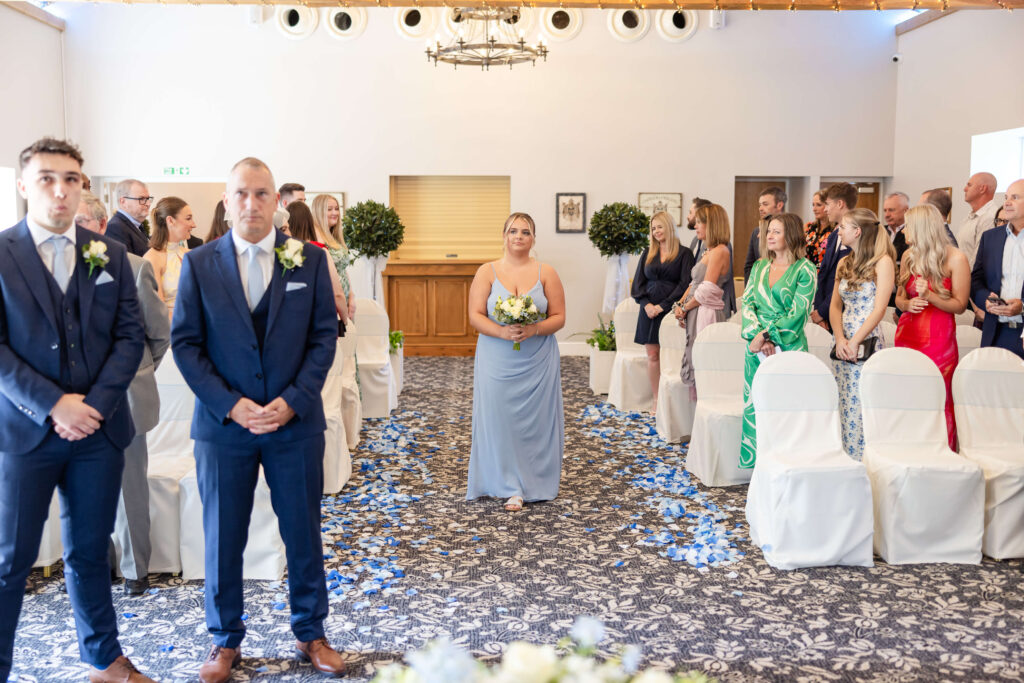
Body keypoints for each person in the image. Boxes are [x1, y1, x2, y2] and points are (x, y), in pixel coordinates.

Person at [171, 157, 343, 682]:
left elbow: (322, 338)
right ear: (227, 202)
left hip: (294, 422)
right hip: (225, 428)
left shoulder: (309, 262)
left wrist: (293, 399)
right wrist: (230, 404)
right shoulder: (199, 264)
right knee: (223, 534)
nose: (251, 203)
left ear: (277, 202)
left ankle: (311, 632)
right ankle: (225, 640)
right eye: (241, 194)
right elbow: (186, 343)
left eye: (262, 193)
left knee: (302, 529)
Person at [0, 138, 150, 683]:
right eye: (46, 178)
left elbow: (130, 337)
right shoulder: (1, 252)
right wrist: (53, 404)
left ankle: (104, 660)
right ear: (23, 185)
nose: (60, 190)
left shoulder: (108, 253)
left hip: (98, 431)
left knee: (90, 553)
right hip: (25, 433)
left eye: (71, 179)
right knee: (10, 562)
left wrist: (94, 406)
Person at [76, 192, 170, 596]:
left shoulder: (134, 268)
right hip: (74, 404)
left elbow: (159, 334)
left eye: (81, 222)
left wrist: (137, 371)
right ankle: (100, 564)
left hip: (126, 398)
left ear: (100, 225)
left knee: (129, 486)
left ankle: (135, 570)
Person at [466, 212, 566, 512]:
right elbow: (474, 315)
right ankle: (508, 483)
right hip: (497, 358)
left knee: (534, 423)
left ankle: (534, 482)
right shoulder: (487, 271)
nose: (519, 236)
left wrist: (534, 328)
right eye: (513, 231)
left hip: (538, 359)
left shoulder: (546, 272)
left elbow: (560, 317)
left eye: (525, 232)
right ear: (504, 236)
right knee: (501, 420)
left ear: (533, 238)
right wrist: (502, 331)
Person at [740, 213, 817, 469]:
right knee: (758, 407)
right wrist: (757, 336)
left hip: (789, 348)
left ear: (791, 235)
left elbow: (799, 313)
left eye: (775, 231)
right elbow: (748, 303)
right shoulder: (760, 266)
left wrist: (765, 335)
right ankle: (760, 468)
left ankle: (787, 468)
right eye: (768, 231)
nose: (768, 236)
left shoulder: (805, 269)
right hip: (756, 350)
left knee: (786, 408)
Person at [895, 205, 971, 449]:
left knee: (938, 395)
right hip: (907, 333)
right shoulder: (908, 256)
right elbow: (898, 298)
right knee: (907, 394)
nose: (905, 230)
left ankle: (940, 450)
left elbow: (960, 306)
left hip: (938, 338)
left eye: (909, 225)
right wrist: (906, 304)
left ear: (922, 228)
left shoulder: (956, 258)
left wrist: (931, 296)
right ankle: (909, 446)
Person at [829, 209, 896, 461]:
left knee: (862, 404)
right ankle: (846, 458)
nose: (839, 230)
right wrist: (839, 338)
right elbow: (835, 306)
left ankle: (865, 463)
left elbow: (879, 309)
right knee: (844, 403)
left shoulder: (883, 262)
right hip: (843, 338)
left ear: (857, 231)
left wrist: (856, 341)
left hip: (867, 340)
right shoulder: (843, 262)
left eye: (843, 227)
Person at [630, 212, 694, 411]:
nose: (656, 231)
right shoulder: (647, 252)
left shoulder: (684, 254)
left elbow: (685, 284)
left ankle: (672, 400)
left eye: (660, 227)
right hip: (648, 311)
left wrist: (663, 306)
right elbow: (638, 283)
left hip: (671, 310)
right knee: (652, 355)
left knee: (672, 354)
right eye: (653, 228)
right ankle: (656, 399)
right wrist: (647, 305)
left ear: (669, 226)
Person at [676, 203, 733, 401]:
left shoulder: (720, 251)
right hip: (695, 310)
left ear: (713, 224)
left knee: (703, 360)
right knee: (694, 354)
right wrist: (680, 304)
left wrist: (684, 307)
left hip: (706, 313)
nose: (696, 226)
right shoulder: (707, 251)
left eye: (700, 223)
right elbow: (694, 283)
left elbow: (706, 290)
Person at [971, 178, 1024, 360]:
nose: (1007, 202)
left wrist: (1023, 306)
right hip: (995, 332)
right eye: (1006, 197)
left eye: (1015, 197)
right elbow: (976, 280)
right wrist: (985, 299)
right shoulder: (990, 238)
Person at [287, 201, 351, 325]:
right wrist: (345, 319)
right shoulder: (319, 251)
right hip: (319, 318)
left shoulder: (283, 251)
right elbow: (337, 293)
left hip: (292, 318)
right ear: (310, 222)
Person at [811, 182, 855, 331]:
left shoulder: (856, 235)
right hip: (826, 312)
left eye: (828, 204)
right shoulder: (834, 235)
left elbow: (845, 280)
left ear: (840, 204)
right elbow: (823, 275)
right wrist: (819, 312)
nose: (825, 209)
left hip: (844, 312)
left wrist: (822, 311)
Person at [143, 197, 195, 320]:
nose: (194, 224)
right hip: (172, 329)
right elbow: (157, 311)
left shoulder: (190, 254)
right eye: (188, 218)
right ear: (170, 221)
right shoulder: (152, 259)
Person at [311, 193, 357, 321]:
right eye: (329, 209)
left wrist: (351, 295)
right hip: (331, 302)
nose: (335, 213)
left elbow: (342, 268)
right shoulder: (315, 237)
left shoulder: (333, 236)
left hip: (345, 300)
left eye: (336, 209)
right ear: (319, 211)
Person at [956, 172, 1000, 267]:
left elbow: (979, 260)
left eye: (969, 185)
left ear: (982, 189)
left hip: (971, 279)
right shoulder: (969, 217)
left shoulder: (990, 217)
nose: (964, 189)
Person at [743, 186, 787, 283]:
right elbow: (749, 266)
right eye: (760, 205)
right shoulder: (756, 232)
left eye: (765, 204)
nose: (760, 208)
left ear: (779, 205)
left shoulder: (790, 230)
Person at [106, 178, 153, 257]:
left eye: (148, 199)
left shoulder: (137, 225)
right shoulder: (115, 228)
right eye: (141, 199)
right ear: (123, 202)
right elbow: (128, 265)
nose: (148, 204)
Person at [804, 191, 833, 266]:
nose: (814, 209)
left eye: (818, 205)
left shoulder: (836, 230)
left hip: (825, 275)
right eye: (813, 205)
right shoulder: (808, 227)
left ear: (828, 206)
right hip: (807, 273)